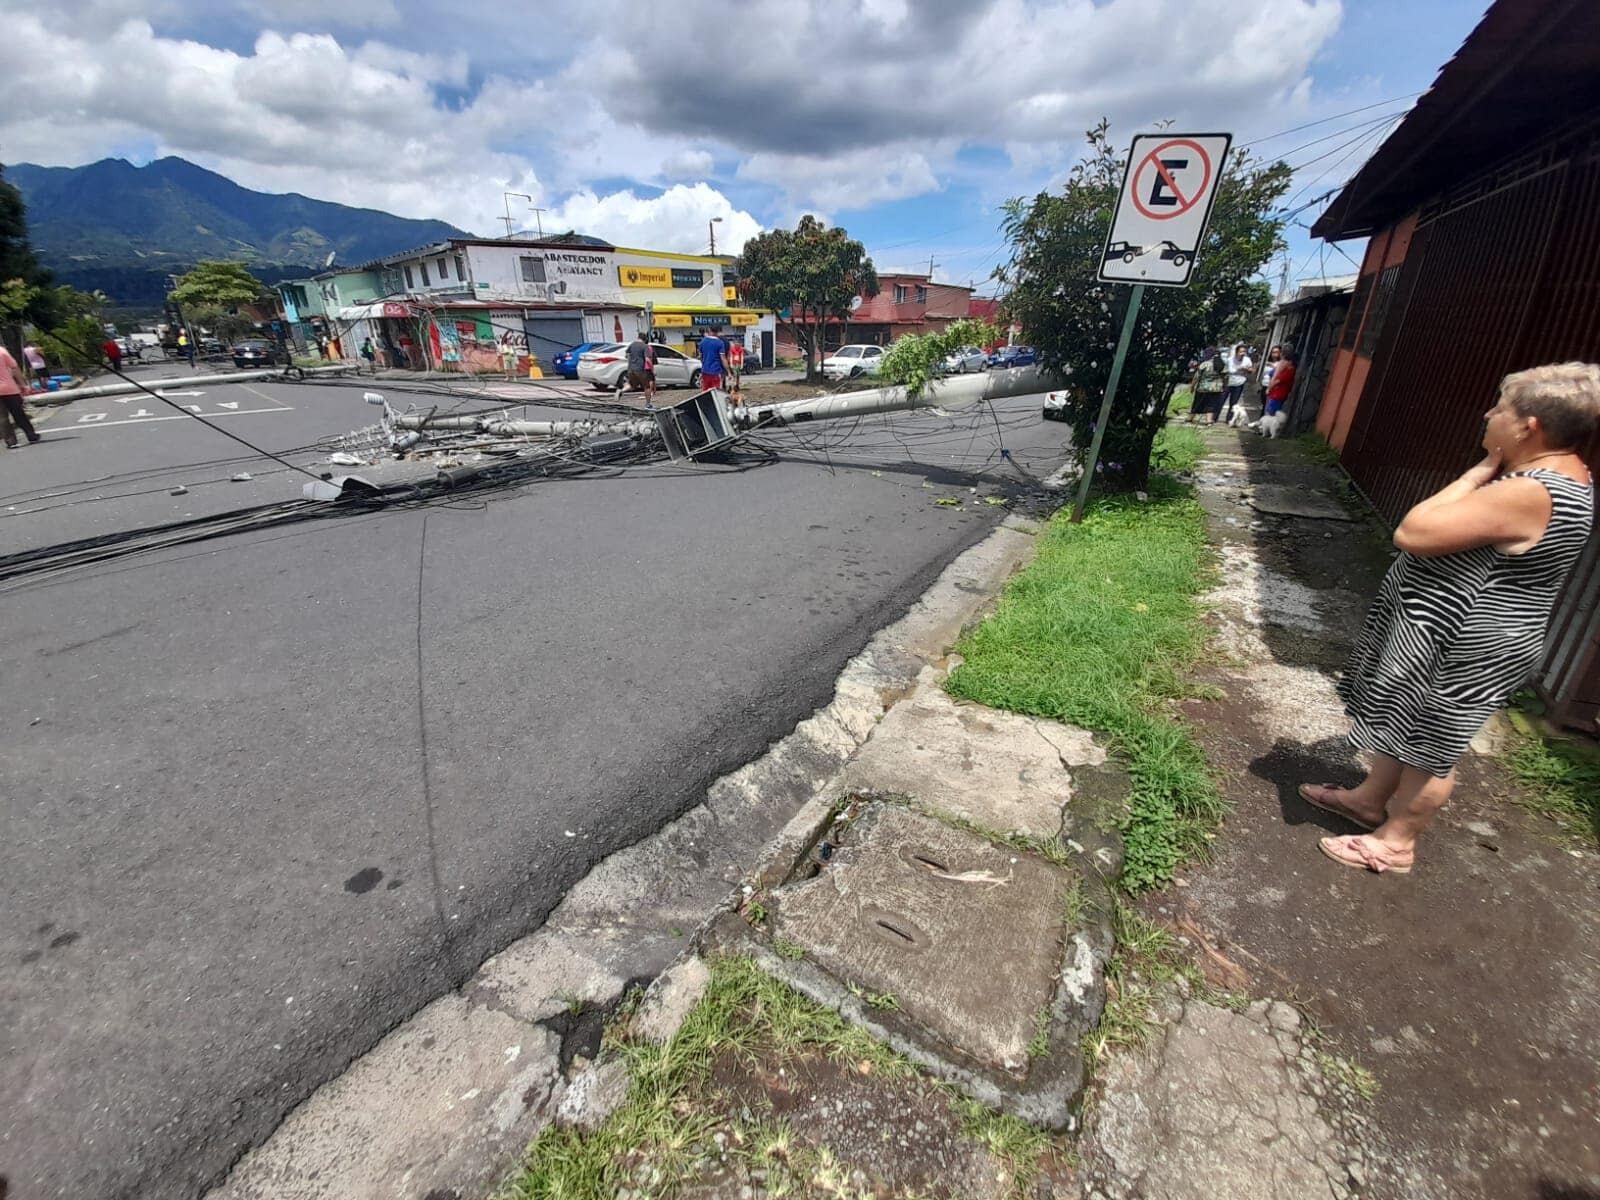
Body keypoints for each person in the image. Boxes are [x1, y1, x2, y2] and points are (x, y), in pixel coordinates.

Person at [1301, 362, 1598, 874]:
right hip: (1452, 635)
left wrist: (1477, 472)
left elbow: (1415, 531)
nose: (1489, 415)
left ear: (1528, 427)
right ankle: (1368, 800)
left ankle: (1396, 843)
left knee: (1432, 746)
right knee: (1409, 722)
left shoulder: (1533, 489)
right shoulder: (1556, 476)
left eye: (1501, 408)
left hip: (1467, 644)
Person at [0, 343, 42, 447]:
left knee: (2, 417)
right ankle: (31, 435)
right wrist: (23, 384)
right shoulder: (2, 351)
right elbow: (14, 368)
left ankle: (11, 441)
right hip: (9, 388)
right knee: (19, 413)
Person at [1189, 348, 1227, 422]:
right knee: (1211, 405)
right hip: (1216, 388)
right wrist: (1224, 386)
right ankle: (1209, 420)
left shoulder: (1204, 364)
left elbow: (1197, 376)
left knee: (1197, 403)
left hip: (1203, 387)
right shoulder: (1222, 364)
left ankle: (1190, 418)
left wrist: (1192, 386)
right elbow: (1225, 377)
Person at [1222, 342, 1253, 424]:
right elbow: (1225, 370)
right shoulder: (1230, 360)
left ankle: (1229, 419)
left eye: (1244, 352)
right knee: (1221, 400)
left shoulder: (1247, 360)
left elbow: (1251, 370)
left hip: (1239, 382)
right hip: (1229, 382)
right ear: (1236, 352)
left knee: (1234, 402)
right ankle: (1214, 417)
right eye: (1241, 351)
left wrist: (1246, 369)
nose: (1242, 353)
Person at [1262, 350, 1296, 417]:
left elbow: (1277, 381)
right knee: (1267, 411)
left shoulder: (1290, 370)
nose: (1283, 362)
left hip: (1278, 395)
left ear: (1290, 361)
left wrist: (1269, 388)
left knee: (1270, 414)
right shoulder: (1284, 369)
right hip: (1274, 393)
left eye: (1285, 360)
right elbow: (1272, 374)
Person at [698, 327, 729, 391]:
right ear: (717, 332)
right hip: (716, 371)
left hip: (705, 371)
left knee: (706, 391)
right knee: (716, 391)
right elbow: (723, 359)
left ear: (709, 330)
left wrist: (703, 368)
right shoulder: (720, 343)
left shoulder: (702, 342)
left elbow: (700, 357)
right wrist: (729, 371)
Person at [625, 332, 650, 397]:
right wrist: (651, 369)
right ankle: (648, 402)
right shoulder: (645, 346)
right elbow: (647, 359)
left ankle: (621, 391)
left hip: (630, 369)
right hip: (640, 369)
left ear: (638, 337)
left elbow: (627, 355)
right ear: (645, 339)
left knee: (632, 386)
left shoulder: (632, 344)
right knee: (647, 386)